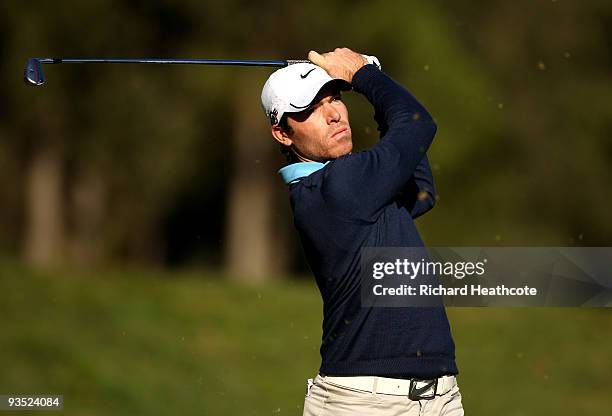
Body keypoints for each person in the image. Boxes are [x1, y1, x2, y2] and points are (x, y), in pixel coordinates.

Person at [261, 47, 464, 416]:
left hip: (438, 399)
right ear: (282, 133)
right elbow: (419, 123)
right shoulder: (337, 187)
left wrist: (372, 81)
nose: (335, 113)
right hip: (364, 404)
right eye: (310, 109)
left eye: (335, 97)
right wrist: (365, 76)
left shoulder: (349, 184)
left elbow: (421, 191)